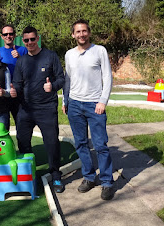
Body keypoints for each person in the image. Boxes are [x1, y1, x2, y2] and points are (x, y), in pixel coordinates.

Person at [63, 19, 114, 200]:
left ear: (89, 32)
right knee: (81, 143)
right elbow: (67, 79)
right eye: (78, 32)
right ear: (73, 35)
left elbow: (107, 77)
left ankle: (107, 182)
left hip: (95, 105)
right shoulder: (69, 54)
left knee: (100, 145)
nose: (81, 34)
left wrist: (103, 101)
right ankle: (89, 177)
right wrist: (65, 100)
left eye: (84, 31)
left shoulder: (99, 50)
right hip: (74, 104)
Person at [10, 26, 65, 193]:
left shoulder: (50, 56)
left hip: (46, 108)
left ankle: (55, 175)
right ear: (23, 42)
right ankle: (28, 174)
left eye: (32, 39)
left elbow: (61, 78)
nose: (29, 43)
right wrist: (13, 92)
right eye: (26, 40)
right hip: (25, 109)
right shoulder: (22, 61)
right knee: (23, 141)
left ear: (38, 38)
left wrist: (53, 86)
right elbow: (18, 84)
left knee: (51, 142)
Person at [0, 24, 28, 124]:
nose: (8, 36)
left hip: (19, 93)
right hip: (4, 93)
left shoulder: (23, 50)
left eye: (11, 34)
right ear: (2, 36)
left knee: (21, 124)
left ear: (14, 35)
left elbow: (30, 70)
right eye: (5, 34)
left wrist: (20, 58)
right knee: (3, 125)